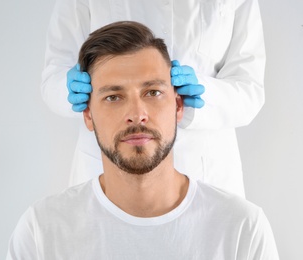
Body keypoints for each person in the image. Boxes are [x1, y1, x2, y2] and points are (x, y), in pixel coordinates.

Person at [7, 22, 277, 259]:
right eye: (113, 97)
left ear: (179, 105)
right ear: (88, 115)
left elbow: (250, 86)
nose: (137, 115)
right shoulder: (42, 231)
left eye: (153, 92)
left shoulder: (243, 228)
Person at [41, 0, 266, 197]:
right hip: (107, 165)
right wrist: (69, 90)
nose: (140, 113)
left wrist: (202, 93)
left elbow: (249, 88)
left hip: (203, 167)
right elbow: (55, 75)